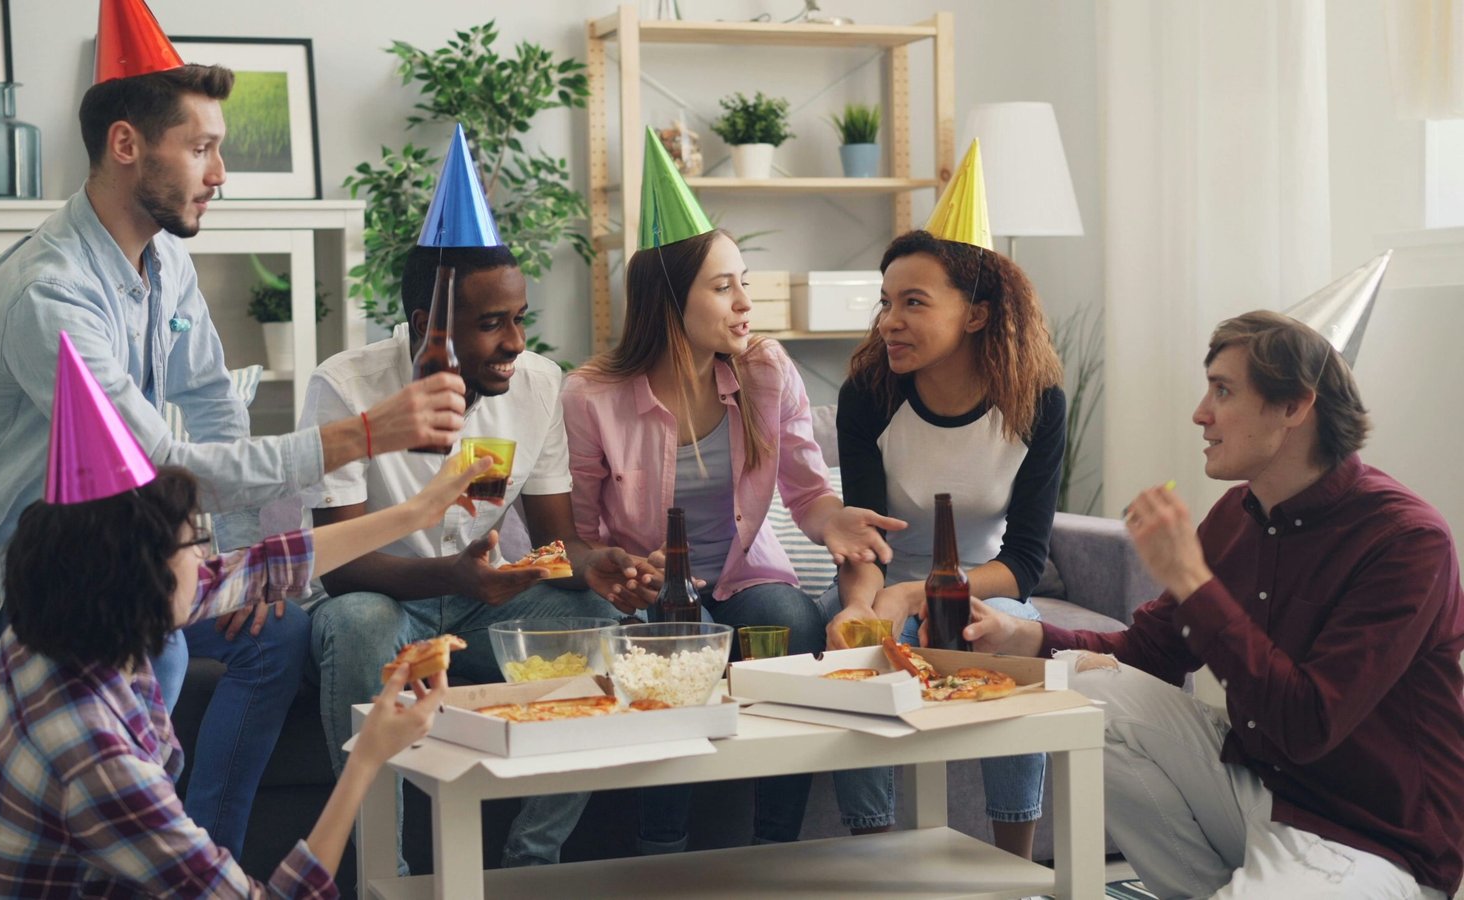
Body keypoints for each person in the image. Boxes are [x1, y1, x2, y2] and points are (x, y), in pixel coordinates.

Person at [0, 4, 467, 853]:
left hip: (123, 537)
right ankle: (133, 860)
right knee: (154, 646)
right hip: (10, 555)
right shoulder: (47, 292)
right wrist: (363, 434)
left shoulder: (166, 261)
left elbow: (212, 407)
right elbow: (153, 460)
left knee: (276, 632)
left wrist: (223, 549)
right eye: (202, 148)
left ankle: (208, 857)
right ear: (127, 144)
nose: (222, 172)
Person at [0, 330, 475, 897]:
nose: (208, 557)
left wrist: (418, 512)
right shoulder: (97, 756)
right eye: (195, 541)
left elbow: (267, 565)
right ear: (148, 574)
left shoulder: (50, 621)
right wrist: (368, 757)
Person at [968, 310, 1464, 898]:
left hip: (1367, 835)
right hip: (1262, 790)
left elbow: (1309, 725)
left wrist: (1192, 579)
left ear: (1293, 407)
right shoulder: (1237, 516)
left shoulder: (1405, 541)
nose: (1201, 413)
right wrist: (1028, 638)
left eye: (1223, 391)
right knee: (1078, 686)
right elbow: (1150, 653)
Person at [562, 133, 902, 853]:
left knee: (791, 619)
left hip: (744, 578)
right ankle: (664, 851)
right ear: (666, 300)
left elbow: (808, 490)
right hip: (650, 591)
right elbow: (580, 535)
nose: (746, 302)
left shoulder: (765, 371)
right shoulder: (592, 396)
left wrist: (835, 518)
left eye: (744, 280)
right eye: (724, 286)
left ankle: (777, 849)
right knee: (664, 644)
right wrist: (615, 568)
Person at [300, 240, 656, 870]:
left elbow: (559, 540)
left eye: (520, 318)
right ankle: (388, 873)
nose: (515, 341)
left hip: (475, 607)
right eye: (492, 323)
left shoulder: (540, 386)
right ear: (426, 327)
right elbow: (337, 566)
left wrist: (594, 565)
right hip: (379, 594)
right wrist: (456, 577)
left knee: (604, 630)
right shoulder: (345, 385)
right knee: (360, 621)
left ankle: (531, 865)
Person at [819, 229, 1064, 860]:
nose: (889, 323)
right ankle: (874, 859)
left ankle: (1016, 866)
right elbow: (864, 540)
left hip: (987, 583)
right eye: (885, 302)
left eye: (914, 303)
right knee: (864, 652)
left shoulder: (1037, 403)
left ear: (977, 314)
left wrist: (916, 592)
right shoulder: (869, 396)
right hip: (877, 580)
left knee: (1009, 642)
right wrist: (864, 606)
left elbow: (1025, 564)